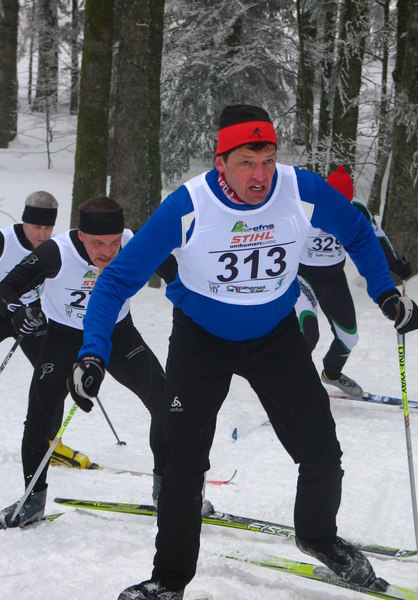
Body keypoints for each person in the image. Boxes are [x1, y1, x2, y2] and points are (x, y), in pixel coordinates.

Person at [69, 105, 418, 600]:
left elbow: (359, 232)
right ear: (221, 164)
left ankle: (319, 537)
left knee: (322, 451)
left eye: (268, 160)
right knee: (183, 463)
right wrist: (92, 353)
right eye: (247, 163)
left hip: (274, 337)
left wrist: (384, 292)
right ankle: (169, 580)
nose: (260, 175)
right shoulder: (187, 205)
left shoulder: (301, 190)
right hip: (200, 340)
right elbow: (116, 281)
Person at [0, 196, 178, 527]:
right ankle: (32, 499)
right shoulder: (57, 252)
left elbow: (179, 276)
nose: (108, 252)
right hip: (64, 339)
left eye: (114, 243)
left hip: (118, 336)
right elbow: (4, 290)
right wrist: (17, 312)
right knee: (40, 419)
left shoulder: (135, 242)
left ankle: (169, 494)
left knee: (165, 404)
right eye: (98, 244)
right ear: (81, 236)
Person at [0, 191, 91, 468]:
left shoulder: (55, 248)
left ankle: (49, 442)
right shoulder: (0, 240)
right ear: (25, 221)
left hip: (31, 316)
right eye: (37, 227)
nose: (43, 234)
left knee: (55, 376)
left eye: (48, 227)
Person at [296, 165, 412, 397]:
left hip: (333, 277)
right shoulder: (306, 208)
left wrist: (394, 264)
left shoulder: (356, 209)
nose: (340, 211)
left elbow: (374, 237)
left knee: (349, 337)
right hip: (302, 276)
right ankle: (291, 382)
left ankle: (331, 373)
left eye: (345, 204)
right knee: (307, 333)